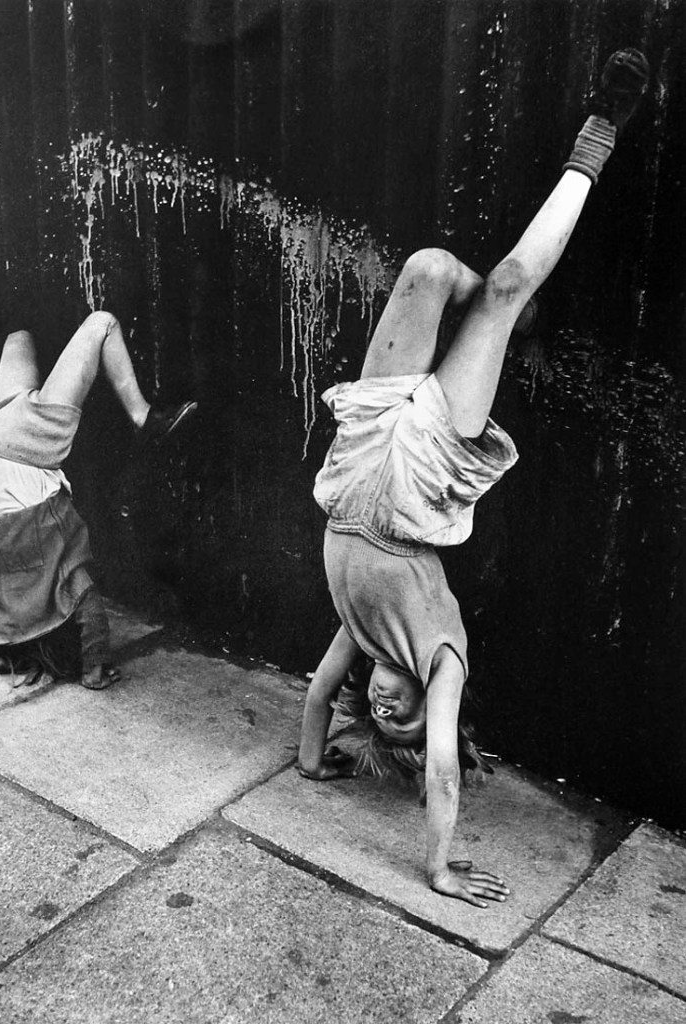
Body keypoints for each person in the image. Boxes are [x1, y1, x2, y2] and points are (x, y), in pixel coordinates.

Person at [298, 49, 649, 908]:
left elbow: (316, 697)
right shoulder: (441, 658)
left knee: (426, 267)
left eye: (378, 714)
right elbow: (443, 770)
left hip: (357, 462)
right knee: (501, 288)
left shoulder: (365, 640)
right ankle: (600, 135)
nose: (386, 707)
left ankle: (492, 311)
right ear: (431, 703)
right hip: (418, 480)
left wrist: (310, 764)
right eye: (405, 716)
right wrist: (437, 866)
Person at [0, 312, 196, 689]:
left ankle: (143, 417)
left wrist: (94, 671)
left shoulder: (55, 573)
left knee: (103, 324)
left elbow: (91, 614)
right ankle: (40, 326)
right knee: (18, 336)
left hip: (33, 443)